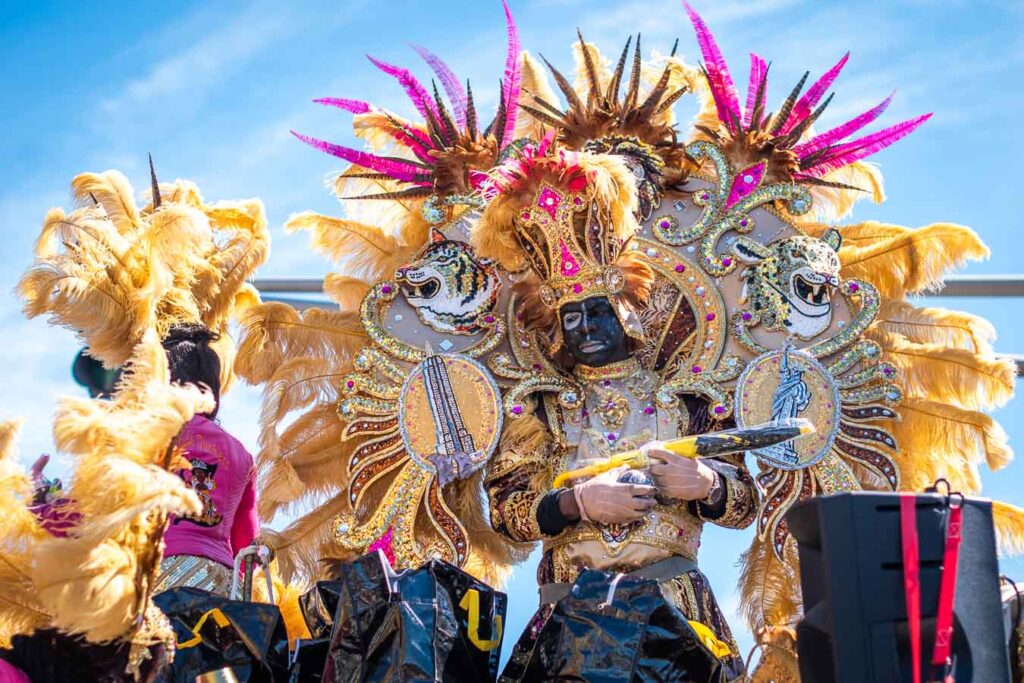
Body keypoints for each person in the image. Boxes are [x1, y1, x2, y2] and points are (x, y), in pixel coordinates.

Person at [473, 148, 757, 680]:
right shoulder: (543, 409)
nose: (585, 327)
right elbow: (508, 512)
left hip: (675, 616)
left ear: (627, 311)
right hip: (571, 620)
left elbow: (744, 504)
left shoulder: (692, 400)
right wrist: (577, 501)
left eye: (598, 310)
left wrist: (705, 484)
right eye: (572, 316)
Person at [155, 323, 259, 595]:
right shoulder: (241, 454)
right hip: (219, 580)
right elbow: (247, 543)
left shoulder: (148, 434)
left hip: (157, 573)